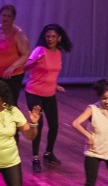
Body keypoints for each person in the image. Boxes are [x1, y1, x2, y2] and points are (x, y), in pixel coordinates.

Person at [25, 23, 72, 171]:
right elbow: (25, 67)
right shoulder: (39, 50)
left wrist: (55, 84)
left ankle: (48, 153)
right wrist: (34, 63)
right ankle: (35, 158)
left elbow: (51, 71)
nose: (50, 39)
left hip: (49, 94)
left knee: (54, 125)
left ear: (59, 38)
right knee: (38, 125)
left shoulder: (58, 52)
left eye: (53, 36)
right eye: (47, 36)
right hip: (34, 92)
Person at [0, 4, 29, 101]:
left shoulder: (18, 33)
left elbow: (25, 54)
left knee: (10, 103)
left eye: (9, 16)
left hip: (12, 75)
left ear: (13, 18)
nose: (5, 18)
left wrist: (12, 67)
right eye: (4, 15)